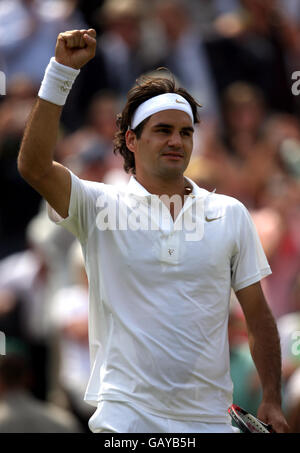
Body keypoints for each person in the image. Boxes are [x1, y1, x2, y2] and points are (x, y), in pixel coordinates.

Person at [17, 28, 289, 433]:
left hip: (210, 422)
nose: (177, 140)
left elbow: (258, 316)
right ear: (132, 139)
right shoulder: (98, 204)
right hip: (125, 423)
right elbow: (34, 166)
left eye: (186, 132)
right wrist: (61, 73)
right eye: (163, 130)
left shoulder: (230, 213)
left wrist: (271, 397)